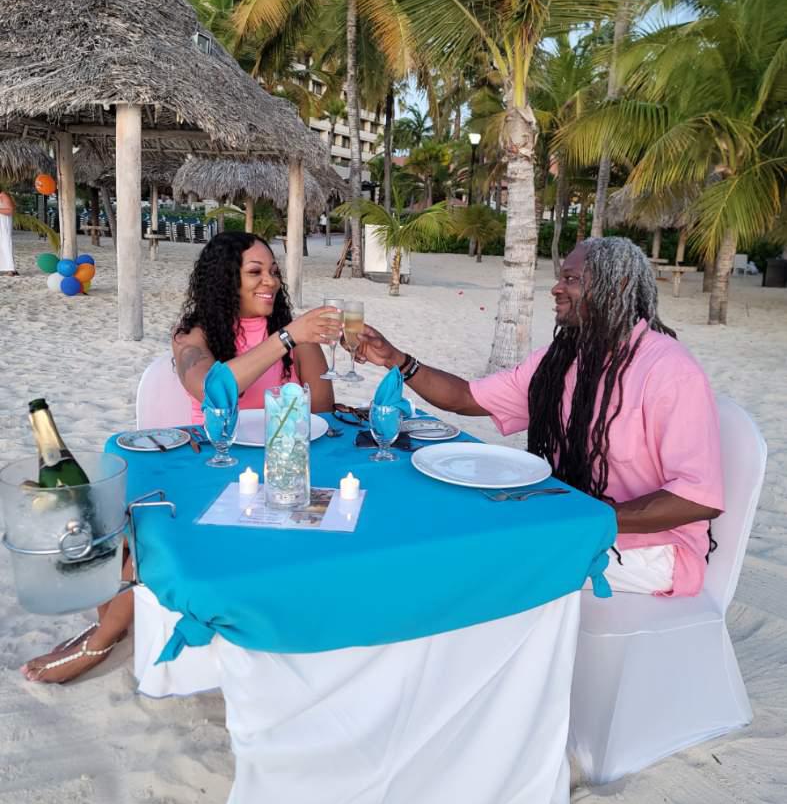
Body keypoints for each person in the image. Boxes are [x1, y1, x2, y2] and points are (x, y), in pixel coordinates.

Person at [21, 231, 341, 683]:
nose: (270, 281)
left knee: (150, 534)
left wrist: (308, 348)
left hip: (276, 468)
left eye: (272, 271)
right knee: (134, 526)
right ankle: (108, 627)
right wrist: (287, 338)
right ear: (226, 280)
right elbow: (211, 388)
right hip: (210, 463)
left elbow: (323, 415)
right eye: (255, 272)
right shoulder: (194, 335)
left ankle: (103, 637)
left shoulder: (298, 339)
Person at [355, 237, 723, 596]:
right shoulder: (562, 359)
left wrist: (583, 516)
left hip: (652, 549)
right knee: (459, 524)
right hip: (574, 524)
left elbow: (697, 498)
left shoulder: (669, 370)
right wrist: (397, 360)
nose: (556, 289)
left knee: (488, 561)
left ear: (619, 285)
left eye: (571, 279)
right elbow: (466, 398)